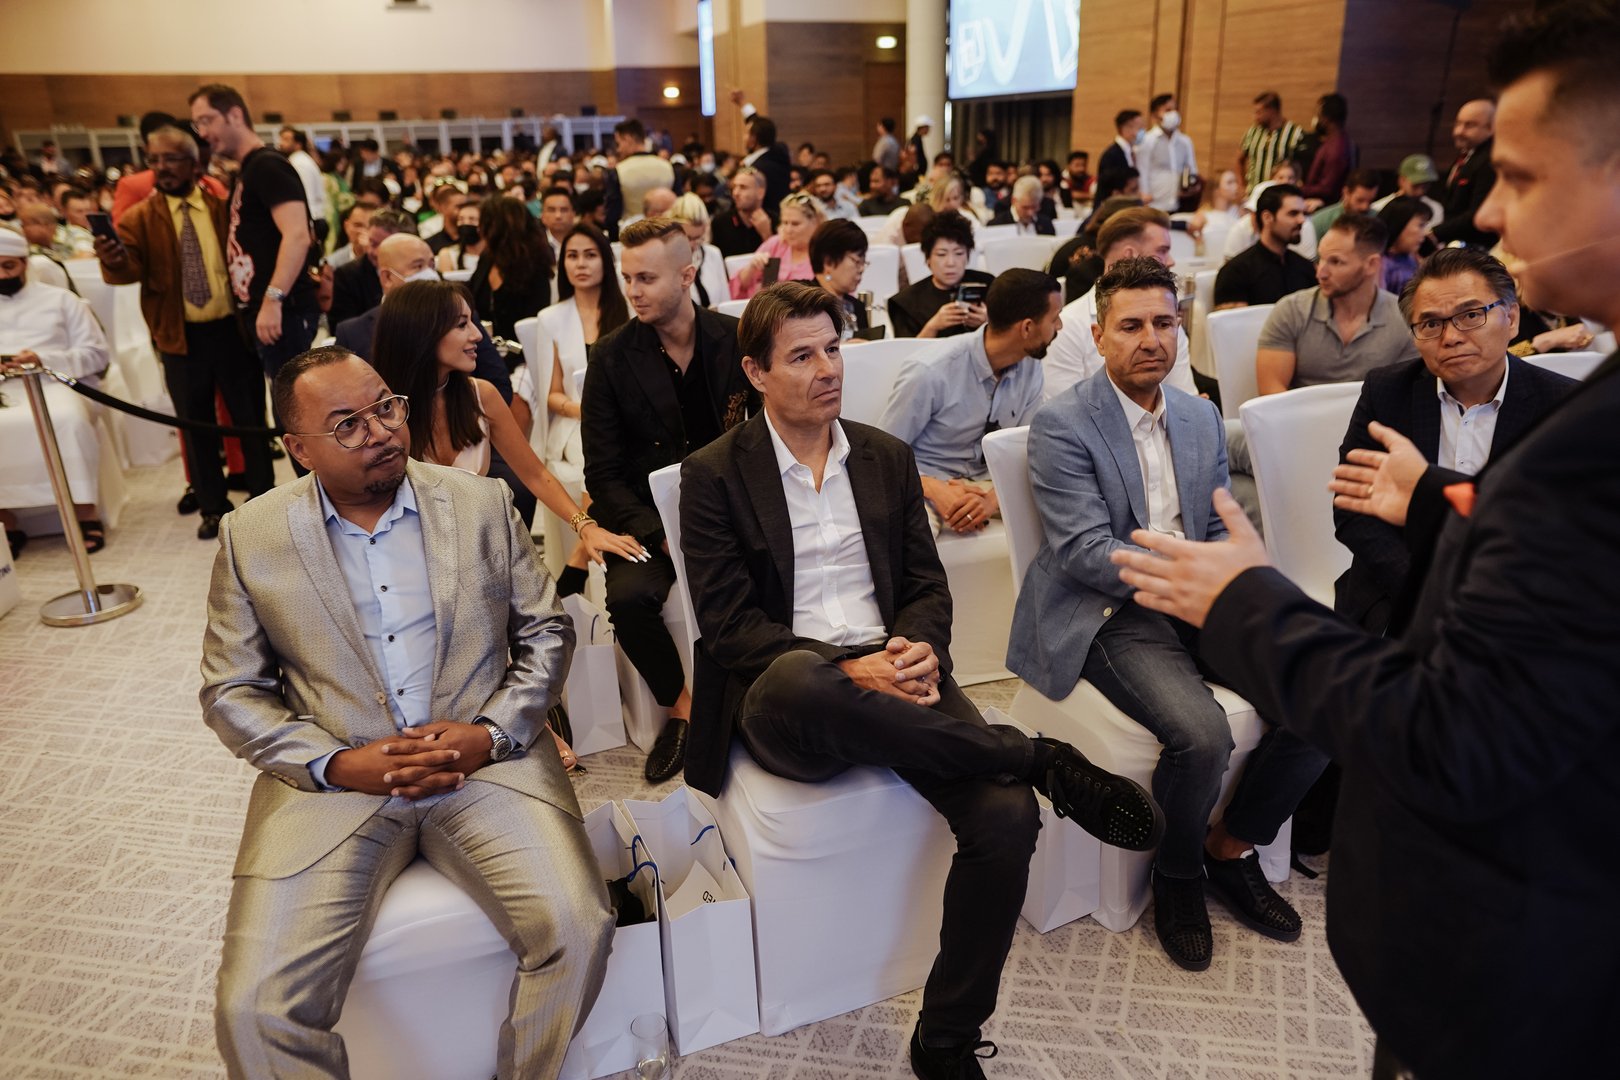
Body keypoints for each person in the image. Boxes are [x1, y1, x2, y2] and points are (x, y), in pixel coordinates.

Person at [1109, 6, 1620, 1072]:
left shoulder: (1580, 433)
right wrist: (1434, 501)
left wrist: (1246, 601)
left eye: (1519, 174)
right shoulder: (1405, 398)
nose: (1490, 206)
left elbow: (1456, 735)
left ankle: (1228, 848)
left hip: (1518, 979)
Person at [679, 280, 1163, 1080]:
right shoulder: (714, 474)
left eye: (833, 349)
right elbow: (730, 627)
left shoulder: (884, 457)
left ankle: (946, 1036)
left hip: (897, 671)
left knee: (1007, 815)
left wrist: (917, 648)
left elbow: (925, 585)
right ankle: (1033, 754)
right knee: (804, 679)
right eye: (801, 356)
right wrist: (847, 666)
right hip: (790, 691)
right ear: (756, 372)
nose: (828, 369)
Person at [201, 345, 614, 1078]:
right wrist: (335, 763)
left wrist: (491, 733)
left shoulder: (479, 503)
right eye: (348, 424)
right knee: (254, 1010)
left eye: (386, 407)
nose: (383, 431)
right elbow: (229, 690)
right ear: (299, 448)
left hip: (486, 767)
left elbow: (547, 631)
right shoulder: (252, 535)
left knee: (580, 927)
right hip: (333, 784)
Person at [1009, 256, 1325, 970]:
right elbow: (1085, 550)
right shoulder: (1061, 423)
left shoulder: (1198, 414)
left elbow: (1212, 523)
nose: (1151, 339)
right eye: (1131, 326)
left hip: (1196, 592)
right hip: (1108, 607)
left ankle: (1230, 848)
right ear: (1098, 336)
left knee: (1319, 690)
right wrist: (1189, 573)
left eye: (1163, 322)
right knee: (1202, 735)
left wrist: (1231, 582)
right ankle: (1177, 874)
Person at [581, 217, 757, 783]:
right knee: (630, 599)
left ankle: (761, 694)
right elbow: (602, 473)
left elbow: (766, 435)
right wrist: (659, 534)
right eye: (628, 277)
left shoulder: (736, 339)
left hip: (731, 509)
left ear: (687, 275)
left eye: (647, 278)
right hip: (643, 518)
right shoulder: (610, 358)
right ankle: (683, 709)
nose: (633, 291)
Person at [1333, 246, 1576, 636]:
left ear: (1512, 318)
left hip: (1522, 600)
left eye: (1471, 315)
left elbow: (1568, 530)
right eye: (1431, 323)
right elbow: (1353, 511)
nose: (1451, 337)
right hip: (1400, 593)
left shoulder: (1563, 405)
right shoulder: (1387, 391)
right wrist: (1429, 591)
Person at [95, 125, 274, 541]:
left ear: (195, 164)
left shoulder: (222, 207)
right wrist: (113, 258)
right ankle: (212, 506)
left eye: (171, 158)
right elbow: (127, 270)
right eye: (154, 160)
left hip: (232, 330)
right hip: (180, 338)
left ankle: (265, 498)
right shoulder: (140, 218)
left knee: (250, 417)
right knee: (195, 426)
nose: (161, 167)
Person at [880, 269, 1060, 536]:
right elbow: (882, 457)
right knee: (913, 532)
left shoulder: (1030, 365)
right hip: (923, 480)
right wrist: (932, 488)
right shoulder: (930, 370)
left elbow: (1026, 449)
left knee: (1066, 505)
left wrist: (991, 501)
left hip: (987, 480)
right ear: (1026, 328)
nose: (1060, 327)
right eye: (1055, 319)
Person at [188, 83, 319, 418]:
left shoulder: (267, 166)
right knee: (287, 414)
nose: (203, 132)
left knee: (296, 416)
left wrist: (273, 299)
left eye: (207, 120)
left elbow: (298, 235)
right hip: (267, 313)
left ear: (234, 115)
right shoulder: (247, 170)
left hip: (284, 312)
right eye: (197, 124)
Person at [520, 226, 630, 574]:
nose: (581, 264)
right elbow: (551, 394)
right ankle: (585, 549)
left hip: (629, 417)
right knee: (596, 453)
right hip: (576, 422)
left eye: (590, 255)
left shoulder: (629, 307)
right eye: (572, 256)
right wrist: (587, 409)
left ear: (606, 261)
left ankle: (580, 558)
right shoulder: (551, 318)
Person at [0, 230, 113, 558]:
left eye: (8, 266)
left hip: (55, 383)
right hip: (5, 390)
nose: (2, 275)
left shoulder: (62, 300)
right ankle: (6, 521)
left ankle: (84, 514)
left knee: (67, 420)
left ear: (25, 263)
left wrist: (43, 359)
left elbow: (97, 354)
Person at [1255, 213, 1419, 395]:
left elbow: (1407, 394)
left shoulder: (1405, 318)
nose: (1320, 273)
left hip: (1373, 413)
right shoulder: (1291, 310)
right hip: (1299, 413)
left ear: (1371, 265)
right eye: (1320, 259)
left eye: (1335, 262)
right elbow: (1271, 392)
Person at [1044, 206, 1197, 401]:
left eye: (1163, 324)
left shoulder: (1166, 319)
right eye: (1162, 251)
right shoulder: (1068, 327)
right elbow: (1065, 412)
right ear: (1129, 256)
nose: (1171, 261)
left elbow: (1186, 401)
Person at [886, 211, 992, 341]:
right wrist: (933, 327)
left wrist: (988, 323)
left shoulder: (989, 285)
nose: (950, 263)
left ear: (968, 255)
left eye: (959, 253)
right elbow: (904, 351)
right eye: (941, 254)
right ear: (928, 258)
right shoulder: (906, 302)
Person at [469, 195, 554, 348]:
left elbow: (533, 324)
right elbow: (471, 293)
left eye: (484, 223)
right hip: (483, 348)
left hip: (521, 352)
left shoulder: (534, 267)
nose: (479, 229)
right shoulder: (488, 257)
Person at [1213, 182, 1316, 309]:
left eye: (1303, 213)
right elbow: (1234, 321)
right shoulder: (1235, 273)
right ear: (1267, 218)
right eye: (1293, 213)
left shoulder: (1306, 269)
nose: (1302, 220)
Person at [330, 207, 415, 330]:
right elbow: (344, 329)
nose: (374, 252)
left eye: (384, 245)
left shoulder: (419, 272)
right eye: (372, 243)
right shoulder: (346, 276)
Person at [729, 191, 822, 300]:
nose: (788, 230)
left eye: (795, 224)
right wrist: (751, 268)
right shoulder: (775, 244)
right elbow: (738, 289)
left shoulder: (824, 252)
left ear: (815, 223)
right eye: (785, 223)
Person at [1431, 98, 1498, 248]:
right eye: (1458, 124)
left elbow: (1478, 213)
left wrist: (1435, 233)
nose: (1459, 131)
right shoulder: (1468, 155)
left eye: (1469, 125)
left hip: (1475, 248)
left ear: (1491, 127)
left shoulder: (1490, 161)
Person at [604, 118, 676, 239]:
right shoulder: (668, 167)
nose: (618, 149)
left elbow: (612, 215)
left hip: (632, 237)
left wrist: (613, 241)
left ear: (628, 139)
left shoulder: (619, 171)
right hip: (667, 235)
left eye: (618, 143)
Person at [808, 218, 873, 336]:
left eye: (864, 262)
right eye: (857, 261)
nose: (861, 269)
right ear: (828, 262)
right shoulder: (802, 300)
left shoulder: (857, 307)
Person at [1138, 94, 1200, 213]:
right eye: (1167, 110)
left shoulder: (1185, 141)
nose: (1173, 114)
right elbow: (1142, 171)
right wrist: (1144, 195)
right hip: (1154, 204)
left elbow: (1191, 169)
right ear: (1155, 115)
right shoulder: (1148, 140)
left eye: (1175, 109)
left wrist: (1190, 185)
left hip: (1178, 204)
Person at [1237, 91, 1305, 192]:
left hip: (1280, 194)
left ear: (1271, 111)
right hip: (1254, 192)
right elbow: (1240, 160)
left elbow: (1300, 167)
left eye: (1259, 112)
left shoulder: (1295, 133)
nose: (1255, 117)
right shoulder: (1253, 132)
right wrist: (1242, 186)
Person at [276, 127, 329, 245]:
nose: (281, 143)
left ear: (298, 144)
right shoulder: (297, 160)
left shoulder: (300, 163)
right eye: (281, 139)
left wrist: (308, 227)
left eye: (286, 139)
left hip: (311, 221)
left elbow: (307, 196)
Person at [1300, 93, 1353, 206]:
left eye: (1318, 114)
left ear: (1326, 119)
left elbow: (1327, 189)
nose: (1316, 118)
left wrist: (1298, 189)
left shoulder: (1336, 148)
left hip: (1324, 207)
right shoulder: (1333, 141)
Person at [709, 166, 773, 259]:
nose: (736, 193)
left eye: (743, 187)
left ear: (760, 193)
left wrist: (767, 235)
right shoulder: (720, 222)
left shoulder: (775, 221)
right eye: (734, 187)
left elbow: (781, 262)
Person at [1375, 196, 1432, 297]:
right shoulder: (1378, 263)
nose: (1424, 233)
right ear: (1399, 224)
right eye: (1420, 225)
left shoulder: (1413, 259)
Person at [1308, 168, 1380, 239]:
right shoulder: (1320, 221)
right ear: (1346, 193)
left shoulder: (1378, 220)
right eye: (1360, 200)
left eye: (1370, 201)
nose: (1365, 207)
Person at [988, 175, 1056, 235]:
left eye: (1034, 207)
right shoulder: (996, 226)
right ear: (1013, 201)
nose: (1030, 213)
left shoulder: (1046, 224)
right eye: (1025, 207)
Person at [435, 199, 485, 274]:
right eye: (461, 219)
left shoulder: (496, 255)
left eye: (472, 219)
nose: (466, 223)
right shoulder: (449, 255)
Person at [1097, 109, 1144, 180]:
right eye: (1140, 127)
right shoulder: (1112, 155)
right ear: (1127, 128)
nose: (1143, 131)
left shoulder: (1132, 151)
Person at [539, 186, 576, 261]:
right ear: (542, 216)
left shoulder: (584, 241)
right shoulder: (535, 244)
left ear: (573, 214)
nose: (558, 216)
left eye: (564, 210)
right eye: (552, 210)